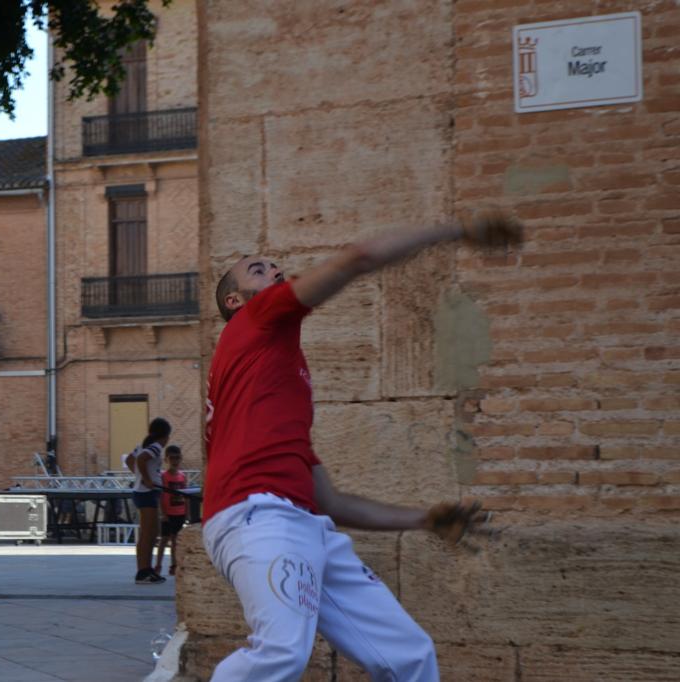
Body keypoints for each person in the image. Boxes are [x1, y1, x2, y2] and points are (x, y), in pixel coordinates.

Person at [203, 214, 520, 681]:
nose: (275, 271)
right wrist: (456, 231)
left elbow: (331, 503)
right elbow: (359, 258)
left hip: (305, 525)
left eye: (275, 265)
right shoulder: (257, 319)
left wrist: (424, 520)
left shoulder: (273, 386)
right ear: (235, 300)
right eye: (259, 269)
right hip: (257, 517)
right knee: (281, 654)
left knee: (409, 655)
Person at [127, 417, 172, 584]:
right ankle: (143, 571)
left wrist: (139, 476)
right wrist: (145, 478)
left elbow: (130, 460)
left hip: (143, 492)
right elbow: (140, 460)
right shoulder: (155, 447)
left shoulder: (143, 445)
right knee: (149, 534)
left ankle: (146, 569)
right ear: (166, 435)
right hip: (147, 492)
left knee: (149, 533)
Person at [154, 445, 187, 576]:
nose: (175, 461)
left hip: (180, 512)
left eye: (177, 458)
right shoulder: (163, 477)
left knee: (176, 541)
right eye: (172, 458)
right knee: (164, 539)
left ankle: (174, 565)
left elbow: (186, 496)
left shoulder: (183, 477)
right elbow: (161, 496)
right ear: (166, 459)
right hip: (168, 514)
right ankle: (158, 564)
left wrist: (187, 512)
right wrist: (163, 513)